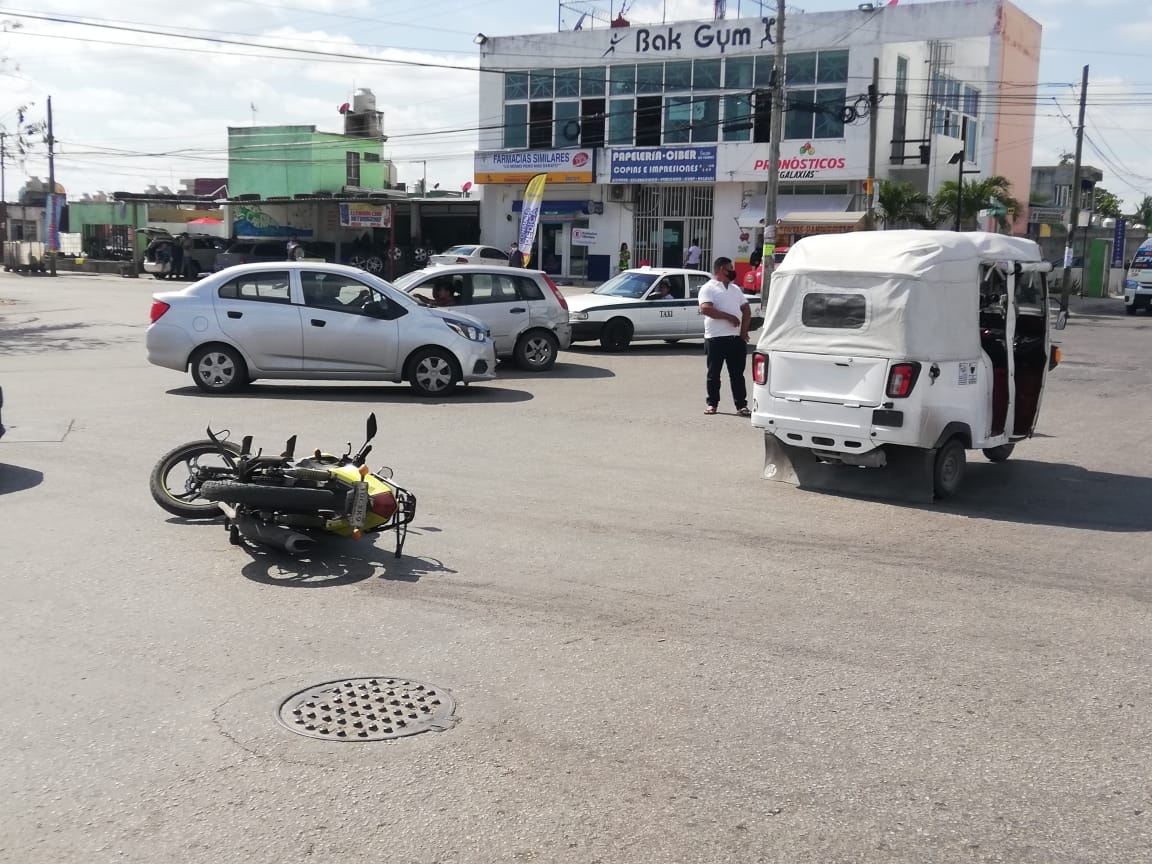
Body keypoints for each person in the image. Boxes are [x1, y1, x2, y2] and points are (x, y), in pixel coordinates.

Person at [698, 256, 752, 416]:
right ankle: (712, 404)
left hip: (735, 339)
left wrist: (743, 331)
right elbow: (706, 309)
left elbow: (746, 310)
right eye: (730, 267)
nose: (733, 271)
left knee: (737, 375)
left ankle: (741, 405)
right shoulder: (709, 288)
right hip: (715, 339)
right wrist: (729, 317)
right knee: (714, 374)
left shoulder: (735, 289)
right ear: (722, 269)